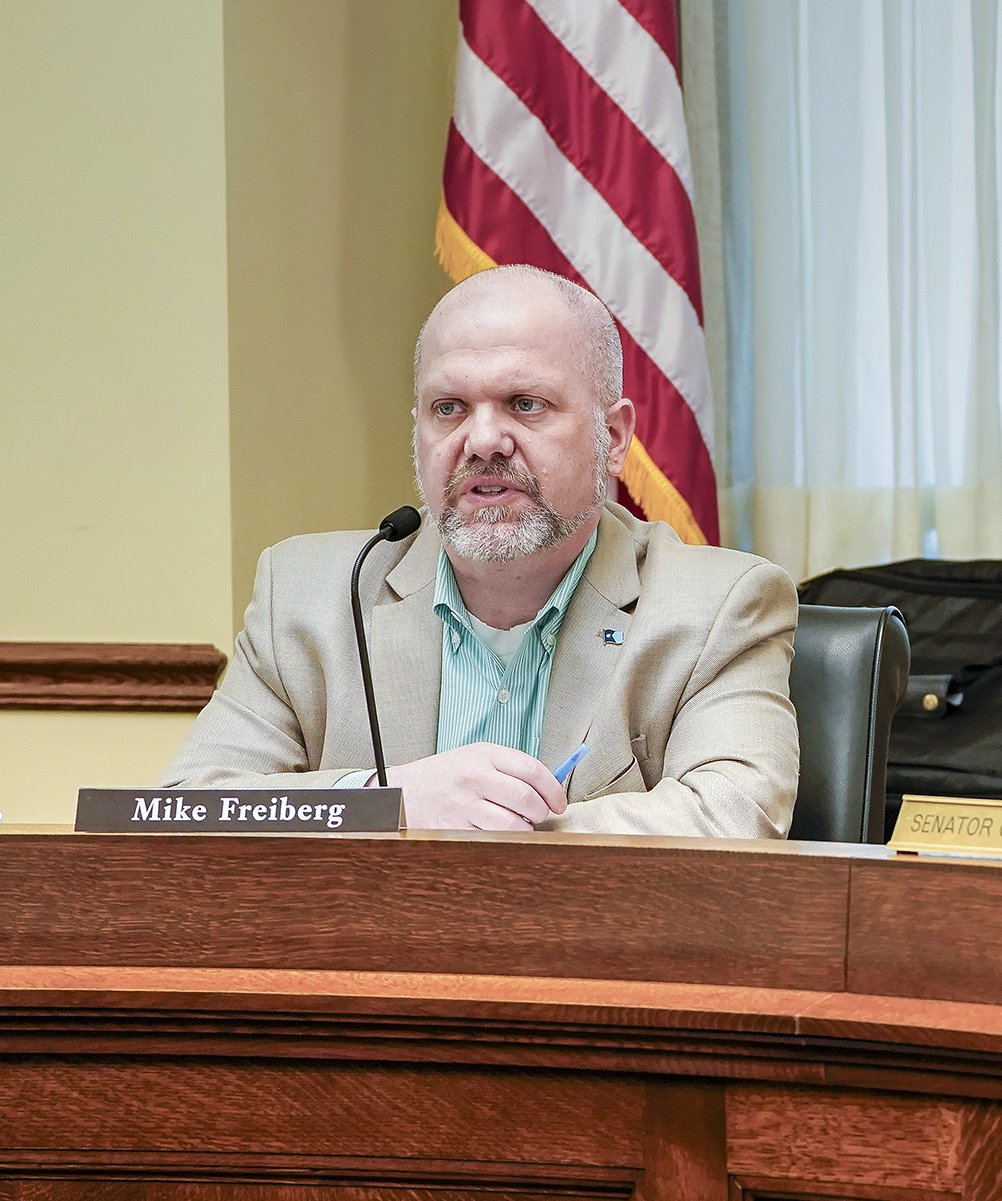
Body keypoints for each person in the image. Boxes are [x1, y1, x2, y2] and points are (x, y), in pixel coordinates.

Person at [164, 264, 799, 835]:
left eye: (526, 405)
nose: (484, 440)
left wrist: (497, 829)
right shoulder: (304, 593)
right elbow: (188, 805)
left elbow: (734, 815)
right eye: (449, 408)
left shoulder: (718, 605)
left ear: (612, 437)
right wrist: (392, 801)